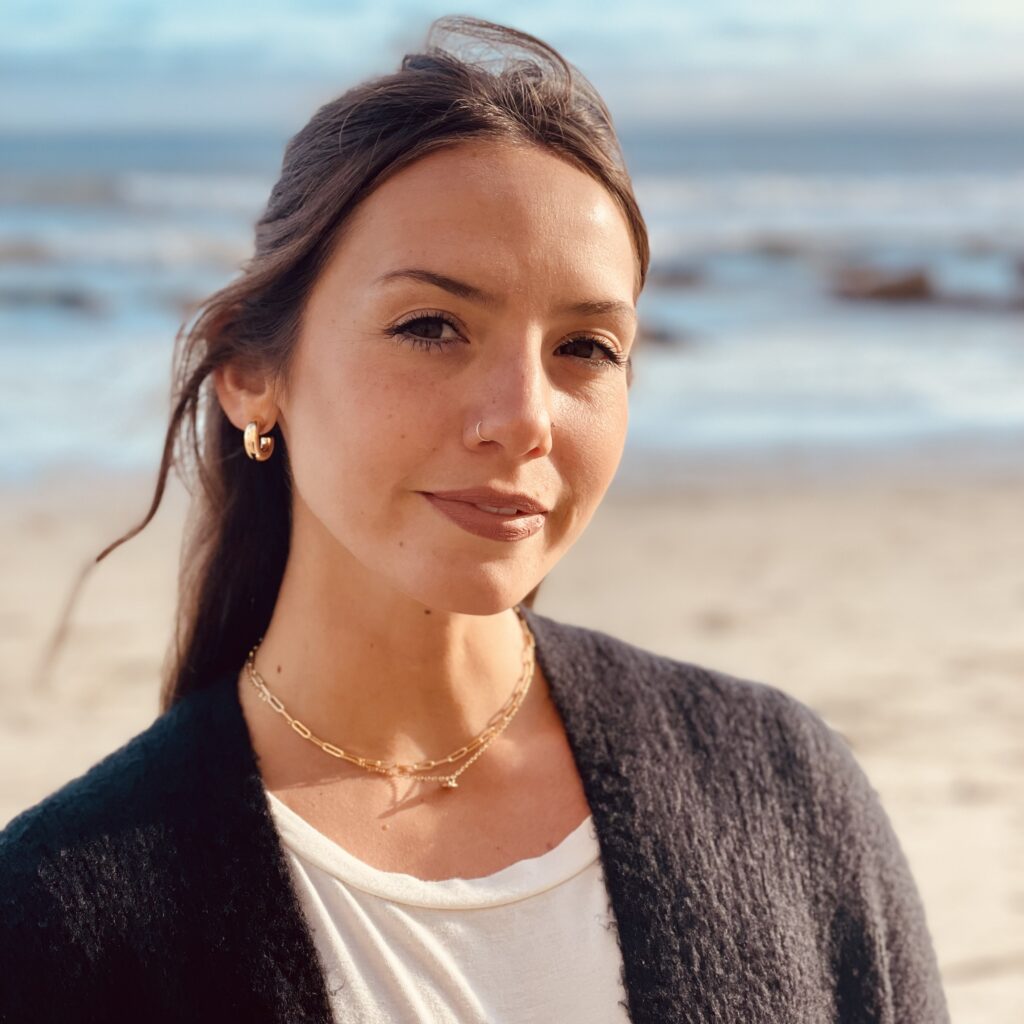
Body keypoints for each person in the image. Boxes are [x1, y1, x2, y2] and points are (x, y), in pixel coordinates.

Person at [0, 16, 949, 1024]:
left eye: (584, 346)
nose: (523, 419)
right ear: (250, 374)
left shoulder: (780, 789)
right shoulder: (59, 923)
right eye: (431, 327)